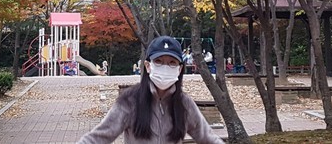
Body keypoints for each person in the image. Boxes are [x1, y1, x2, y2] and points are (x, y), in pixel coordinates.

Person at [77, 36, 224, 144]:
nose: (165, 67)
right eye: (158, 61)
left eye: (172, 63)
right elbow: (98, 137)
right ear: (148, 66)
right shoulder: (130, 101)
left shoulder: (184, 104)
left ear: (179, 69)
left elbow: (209, 138)